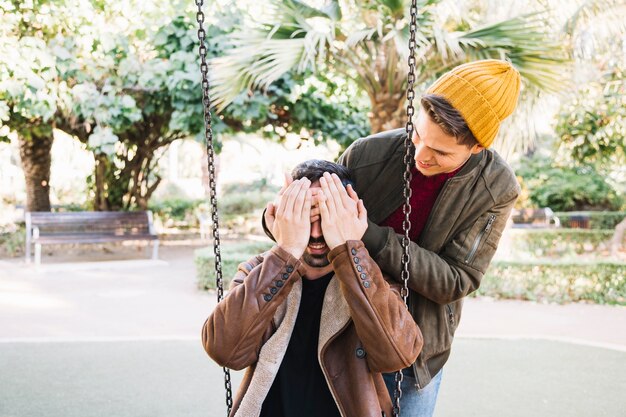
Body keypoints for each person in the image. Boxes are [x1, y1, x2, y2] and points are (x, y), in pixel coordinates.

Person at [336, 59, 522, 416]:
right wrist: (283, 214)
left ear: (477, 148)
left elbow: (456, 279)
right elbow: (313, 229)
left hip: (415, 348)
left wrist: (370, 236)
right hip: (339, 330)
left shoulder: (496, 188)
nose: (420, 155)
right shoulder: (368, 154)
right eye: (417, 135)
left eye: (440, 152)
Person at [203, 160, 423, 417]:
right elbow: (225, 352)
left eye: (328, 217)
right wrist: (285, 253)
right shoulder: (258, 272)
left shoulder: (372, 280)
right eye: (305, 217)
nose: (316, 233)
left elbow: (396, 356)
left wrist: (349, 249)